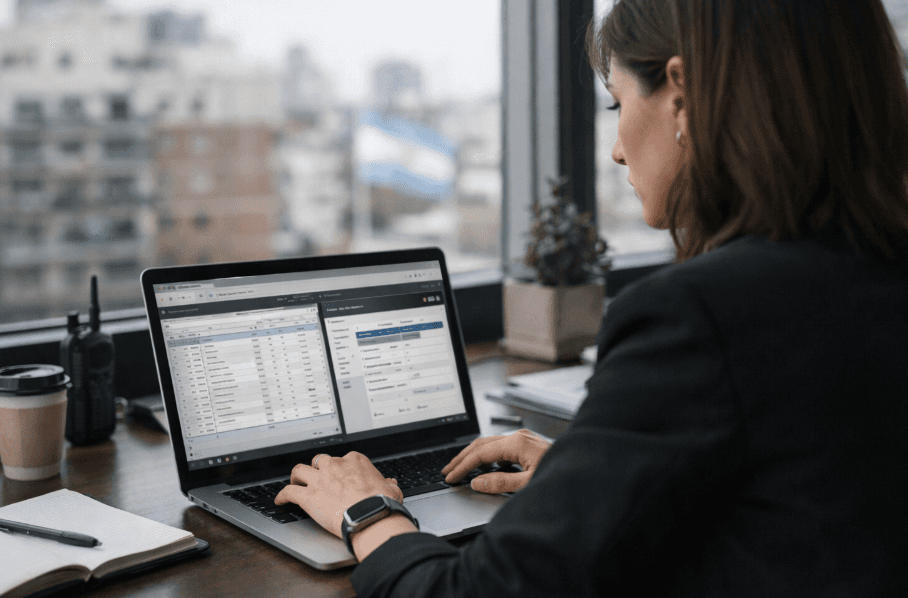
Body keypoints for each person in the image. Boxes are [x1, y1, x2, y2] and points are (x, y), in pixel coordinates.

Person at [275, 0, 908, 595]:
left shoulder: (699, 316)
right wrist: (594, 475)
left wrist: (366, 510)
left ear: (683, 97)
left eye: (616, 103)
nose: (615, 149)